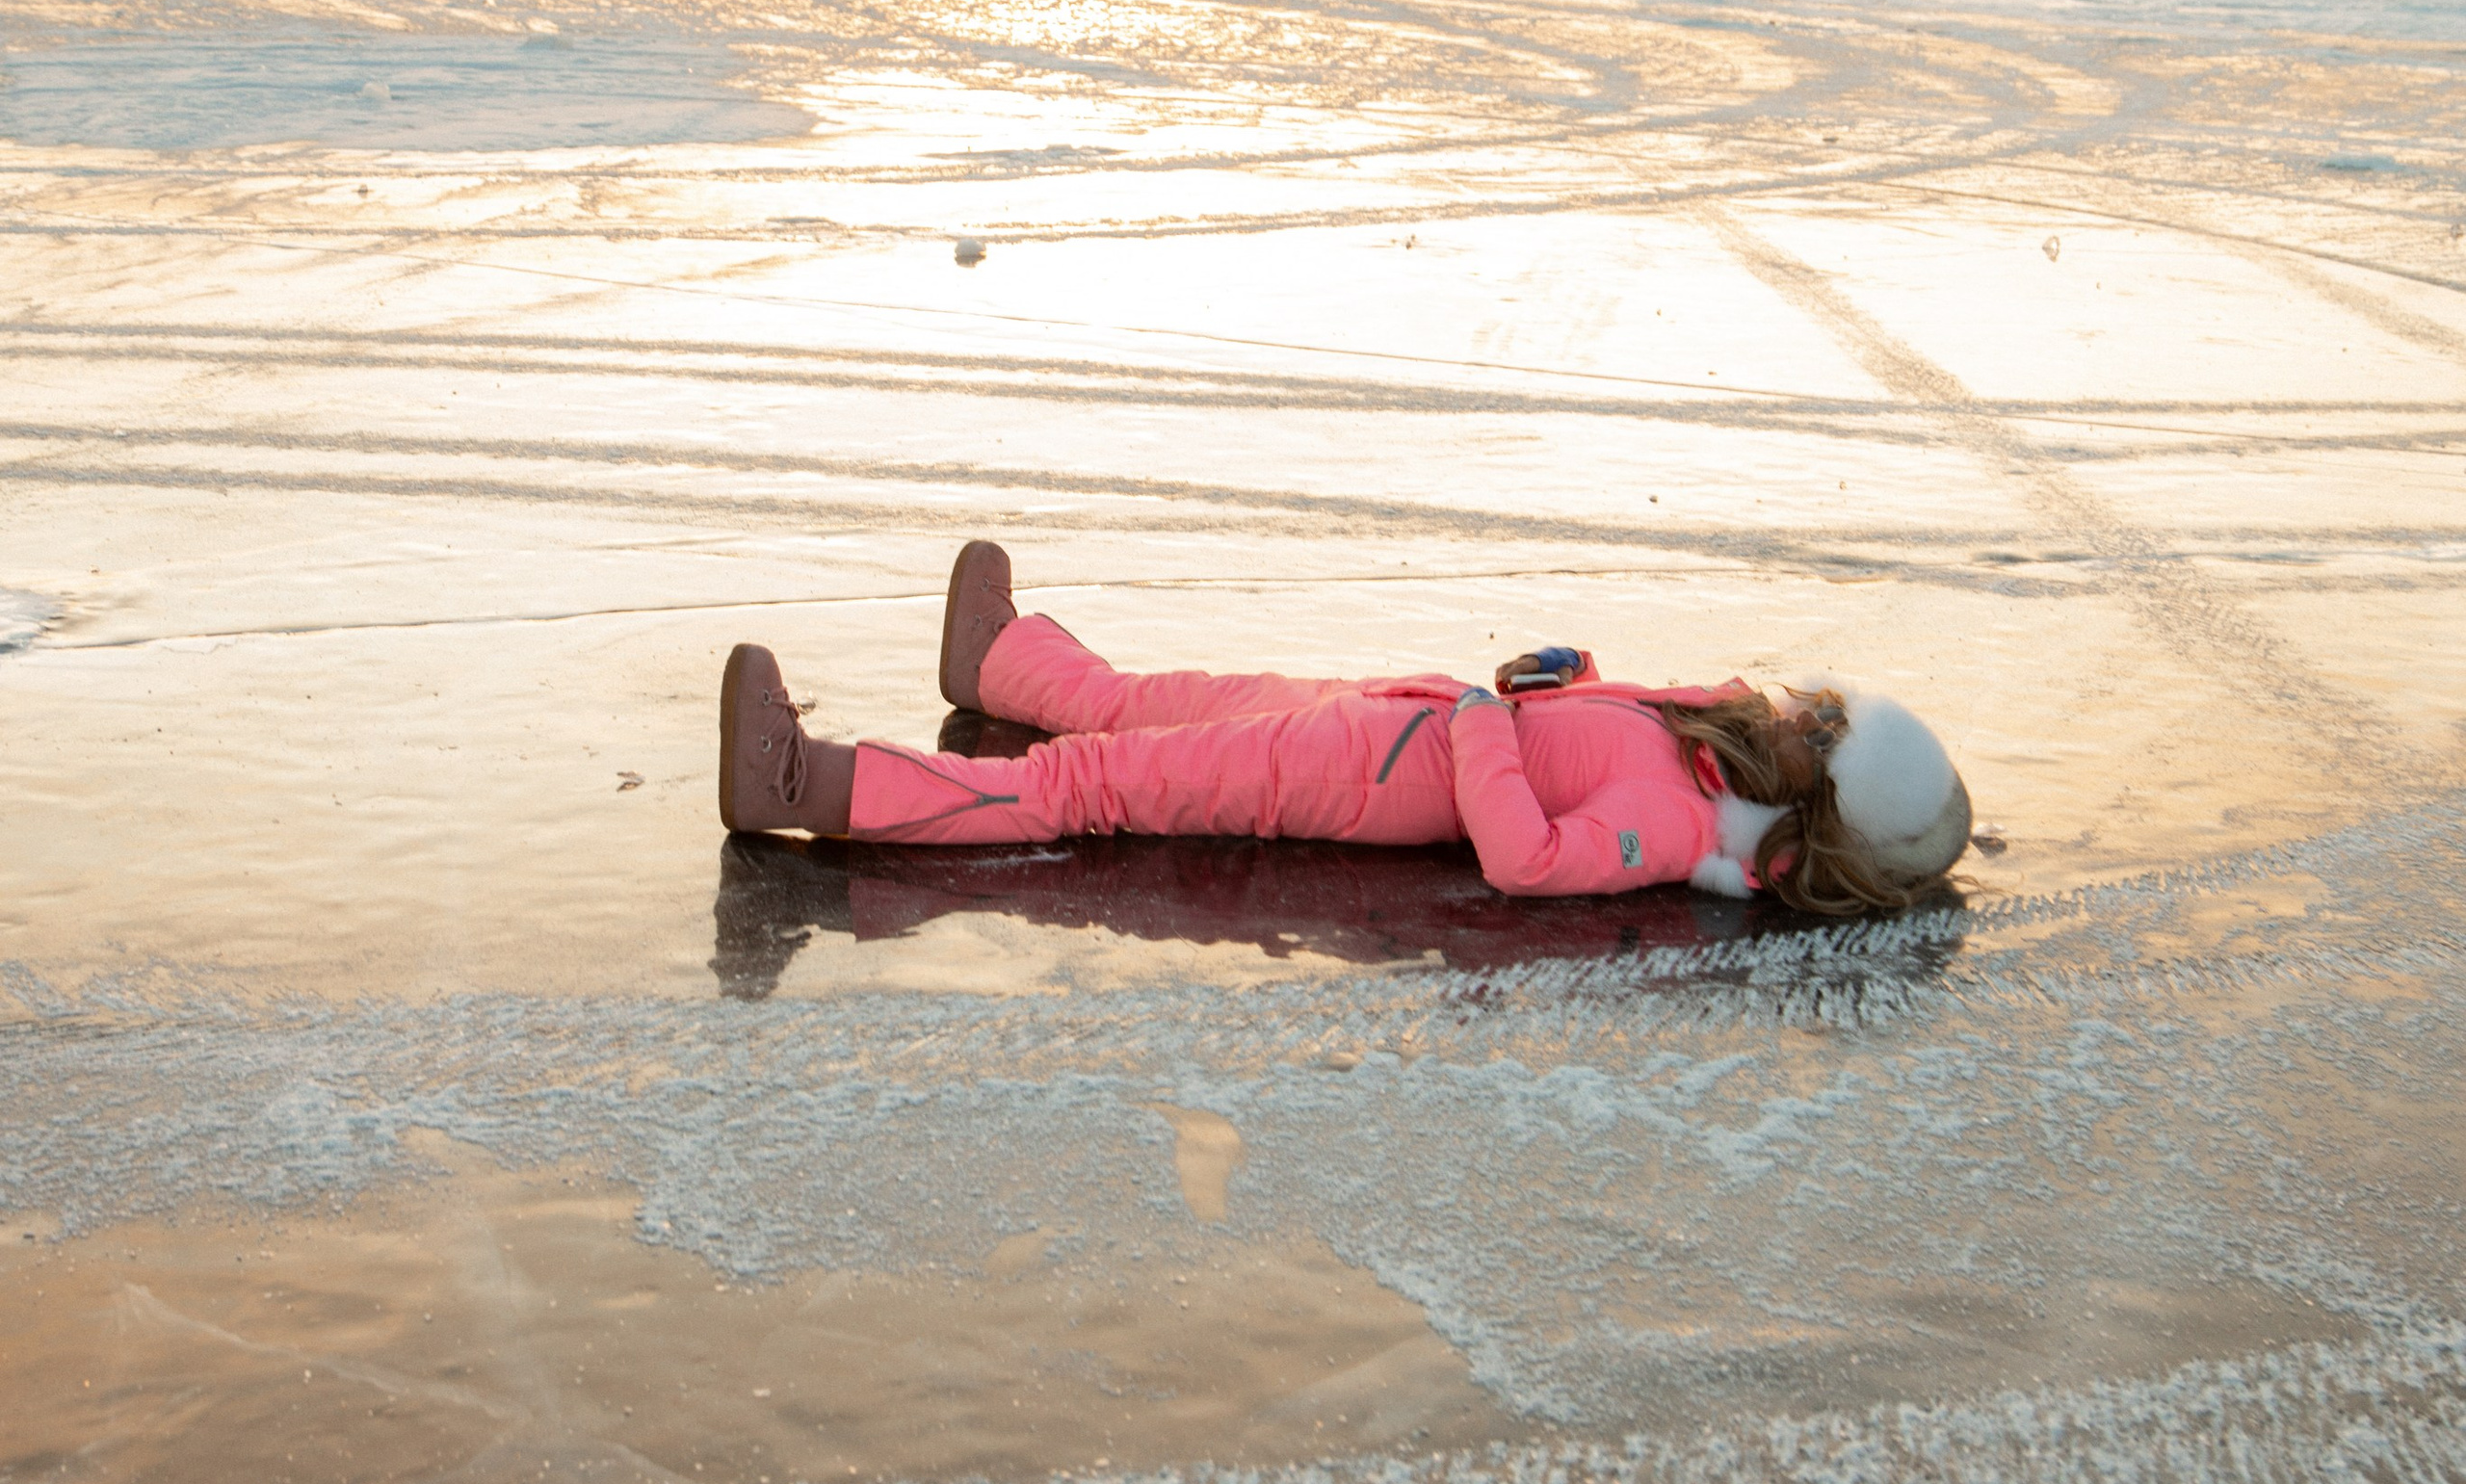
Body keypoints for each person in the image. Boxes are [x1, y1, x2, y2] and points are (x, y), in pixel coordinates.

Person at [718, 545, 1972, 918]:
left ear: (1822, 791)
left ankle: (809, 784)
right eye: (1824, 700)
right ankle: (997, 660)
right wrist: (1562, 678)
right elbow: (1582, 729)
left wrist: (1484, 726)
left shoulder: (1680, 828)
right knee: (1160, 700)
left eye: (1824, 725)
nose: (1803, 703)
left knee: (1095, 783)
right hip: (1389, 713)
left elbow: (1528, 857)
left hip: (1364, 774)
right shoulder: (1707, 743)